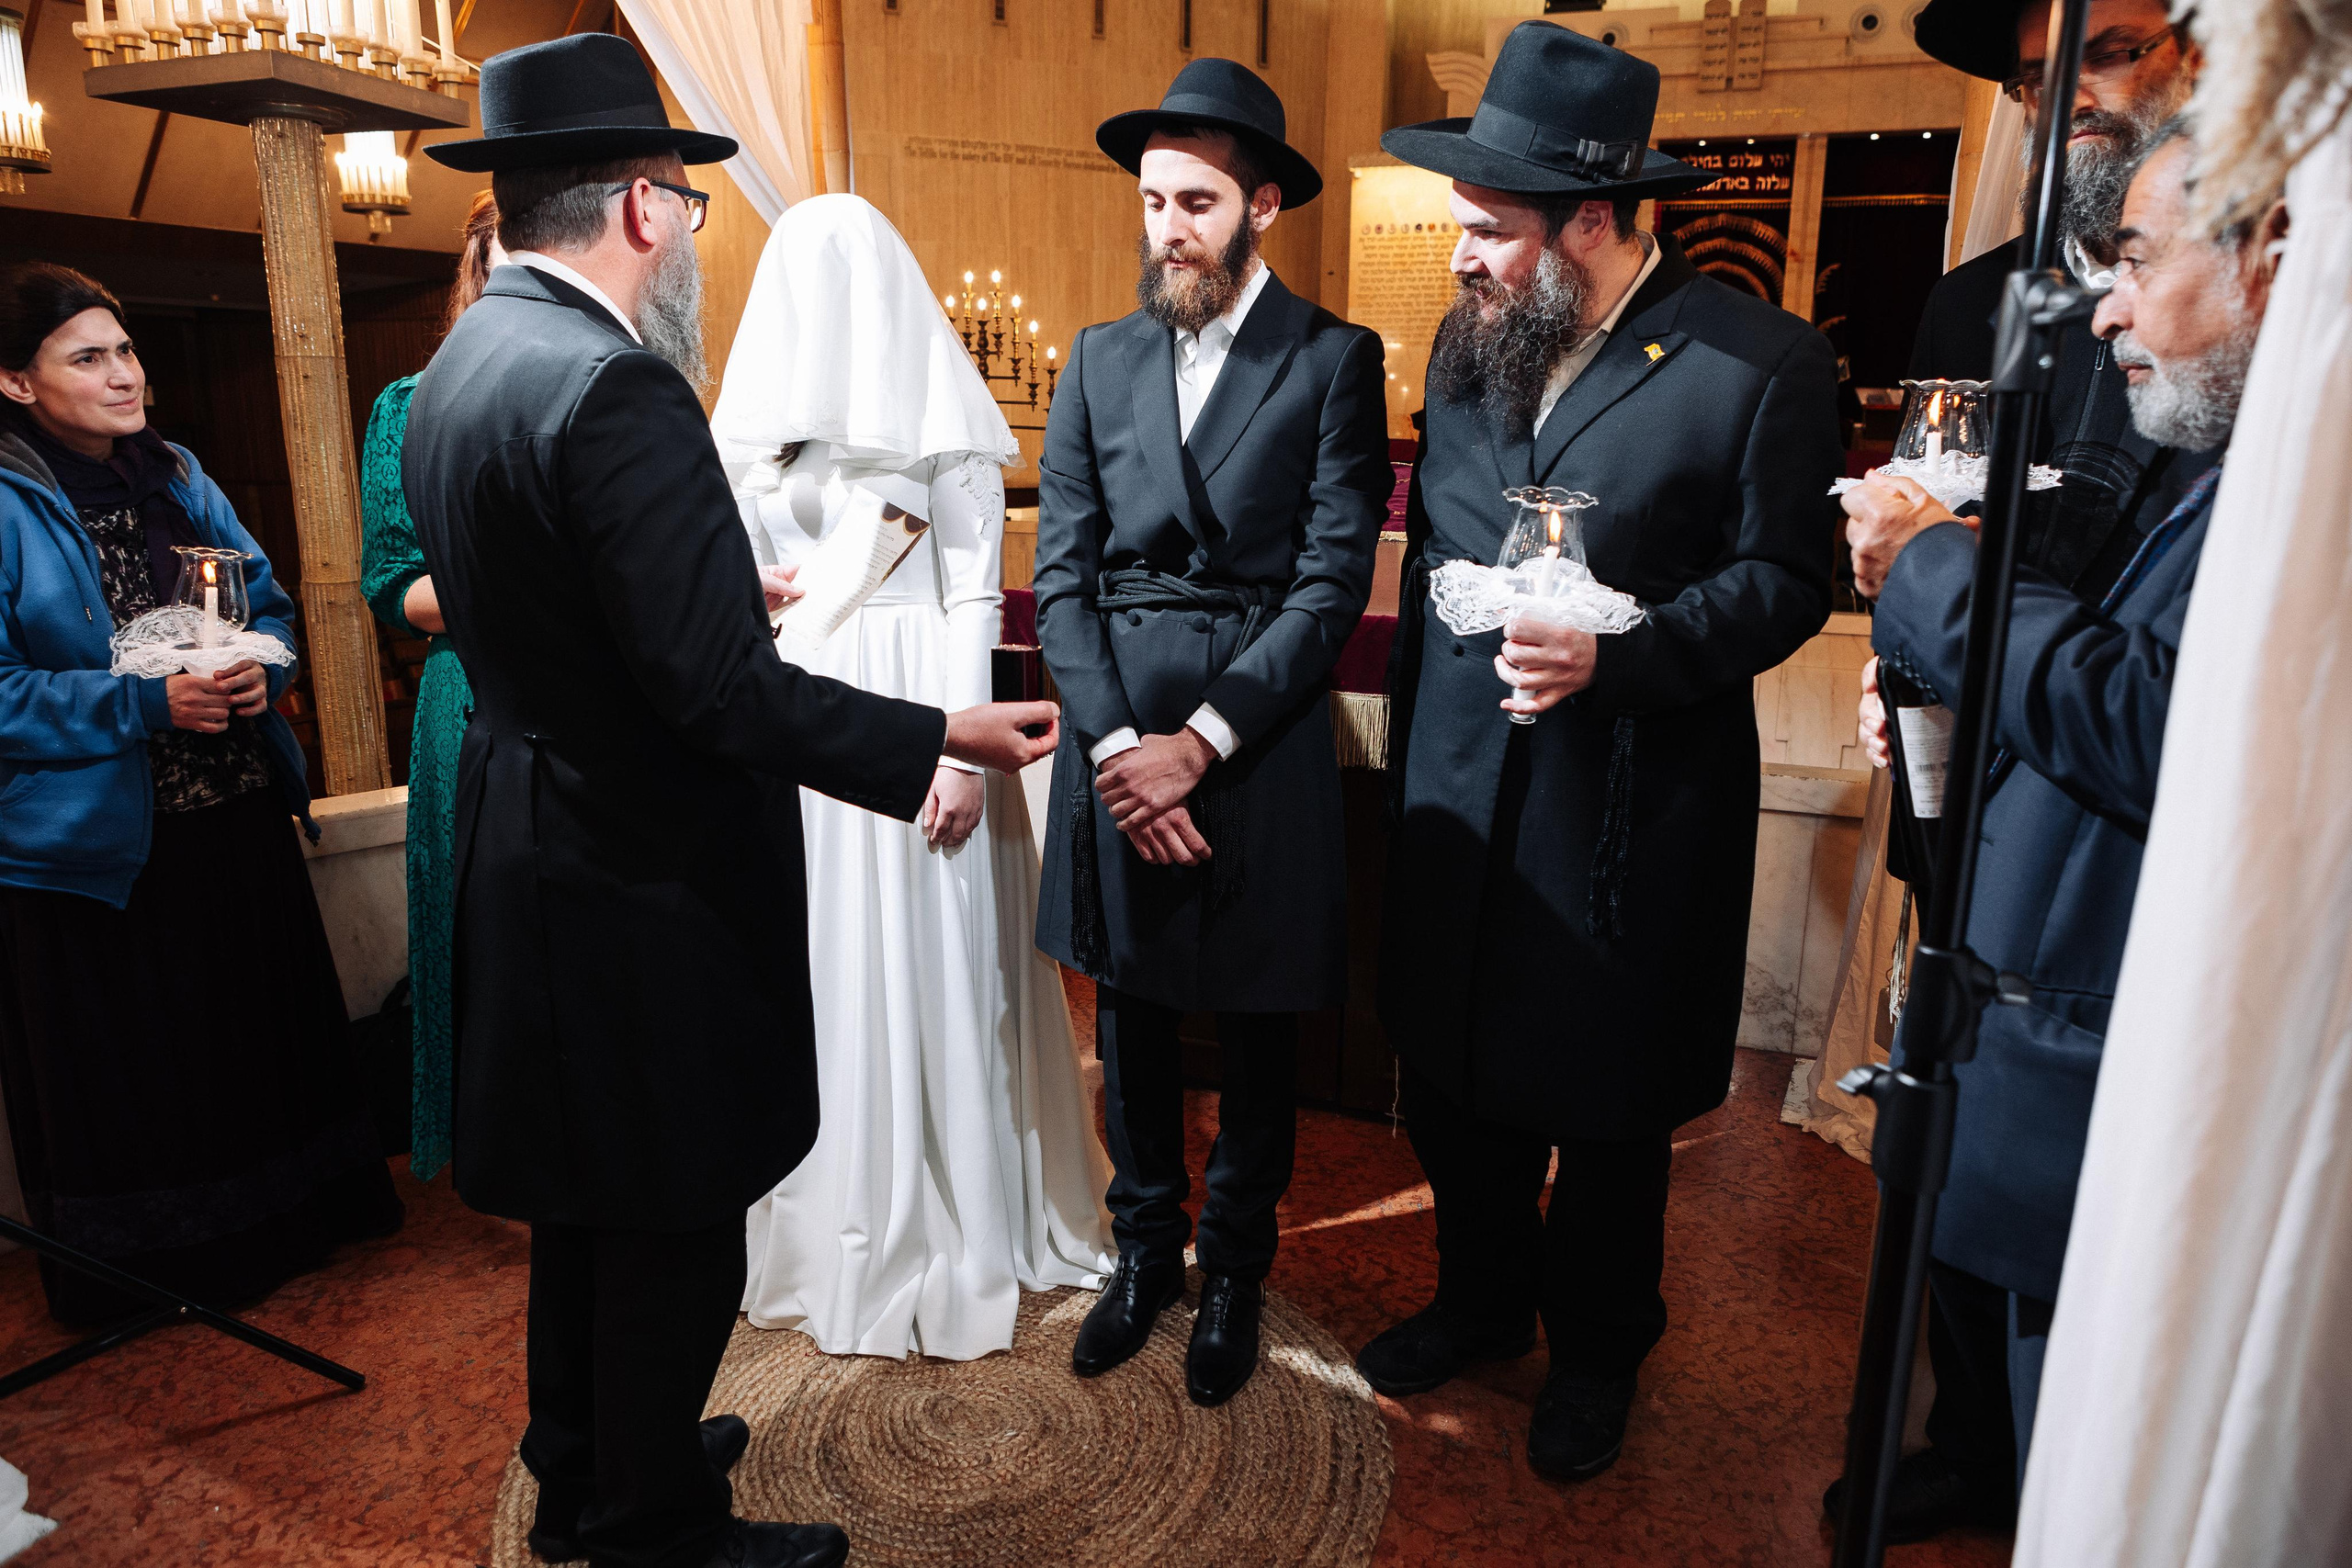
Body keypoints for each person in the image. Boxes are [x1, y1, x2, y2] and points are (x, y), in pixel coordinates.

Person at [404, 37, 1056, 1568]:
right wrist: (937, 733)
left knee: (584, 1198)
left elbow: (566, 605)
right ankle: (655, 1525)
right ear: (639, 206)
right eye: (686, 202)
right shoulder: (616, 386)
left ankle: (581, 1460)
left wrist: (703, 592)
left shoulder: (465, 367)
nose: (696, 233)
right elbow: (721, 698)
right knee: (678, 1204)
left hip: (532, 841)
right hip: (642, 870)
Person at [1362, 22, 1841, 1482]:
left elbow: (1784, 582)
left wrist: (1621, 656)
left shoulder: (1755, 362)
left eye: (1491, 232)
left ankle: (1595, 1348)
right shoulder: (1470, 344)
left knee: (1608, 1103)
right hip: (1462, 780)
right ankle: (1481, 1298)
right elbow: (1446, 534)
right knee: (1455, 1078)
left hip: (1631, 804)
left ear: (1590, 220)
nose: (1464, 258)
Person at [1830, 120, 2281, 1538]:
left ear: (2270, 259)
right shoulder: (2227, 459)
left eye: (2140, 262)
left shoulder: (2294, 496)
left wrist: (1935, 574)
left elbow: (2160, 724)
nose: (2107, 305)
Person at [1032, 59, 1390, 1407]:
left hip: (1257, 729)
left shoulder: (1332, 360)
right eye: (1153, 201)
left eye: (1197, 201)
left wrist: (1208, 737)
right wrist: (1123, 743)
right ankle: (1145, 1255)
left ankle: (1235, 1262)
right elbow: (1061, 575)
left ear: (1263, 209)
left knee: (1252, 1027)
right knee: (1128, 1013)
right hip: (1119, 734)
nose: (1168, 226)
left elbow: (1329, 581)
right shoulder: (1097, 357)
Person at [709, 194, 1115, 1362]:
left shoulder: (948, 434)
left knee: (935, 967)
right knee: (823, 970)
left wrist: (950, 750)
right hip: (805, 723)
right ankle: (824, 1210)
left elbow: (971, 598)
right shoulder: (761, 440)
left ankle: (966, 1213)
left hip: (925, 711)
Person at [0, 263, 401, 1325]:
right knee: (148, 1079)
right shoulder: (3, 504)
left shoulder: (179, 475)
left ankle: (292, 1234)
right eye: (87, 358)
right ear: (15, 384)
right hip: (98, 854)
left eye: (124, 350)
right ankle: (170, 1284)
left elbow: (266, 605)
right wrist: (143, 706)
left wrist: (257, 673)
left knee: (250, 1051)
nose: (124, 375)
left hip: (229, 814)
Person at [359, 189, 501, 1185]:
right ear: (474, 275)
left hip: (611, 694)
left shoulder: (628, 388)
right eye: (500, 264)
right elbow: (390, 581)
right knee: (488, 931)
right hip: (473, 694)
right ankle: (506, 1145)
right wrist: (534, 586)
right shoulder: (411, 407)